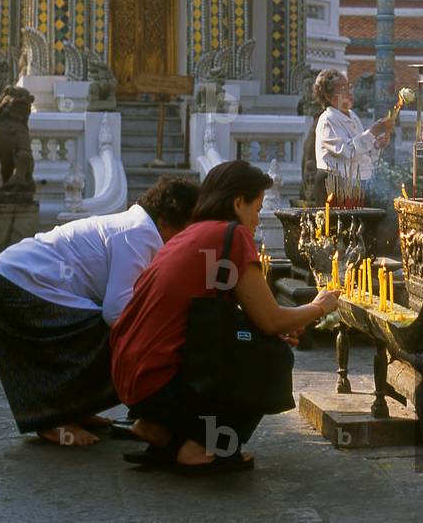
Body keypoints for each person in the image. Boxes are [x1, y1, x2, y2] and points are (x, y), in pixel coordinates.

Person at [111, 160, 341, 474]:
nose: (258, 221)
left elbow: (223, 315)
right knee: (271, 357)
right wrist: (319, 307)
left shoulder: (191, 233)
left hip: (132, 376)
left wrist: (269, 326)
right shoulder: (230, 234)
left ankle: (159, 428)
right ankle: (203, 446)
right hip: (160, 379)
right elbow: (270, 319)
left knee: (258, 339)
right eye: (257, 209)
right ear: (237, 203)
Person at [0, 176, 200, 446]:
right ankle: (53, 420)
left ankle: (74, 409)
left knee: (104, 338)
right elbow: (117, 312)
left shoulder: (139, 228)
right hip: (14, 285)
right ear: (166, 220)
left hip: (9, 279)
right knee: (107, 340)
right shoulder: (138, 233)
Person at [312, 68, 394, 204]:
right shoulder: (328, 119)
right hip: (335, 185)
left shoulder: (353, 116)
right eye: (343, 89)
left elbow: (361, 154)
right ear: (328, 95)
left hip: (357, 184)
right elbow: (348, 152)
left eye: (349, 87)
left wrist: (376, 145)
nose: (349, 92)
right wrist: (373, 131)